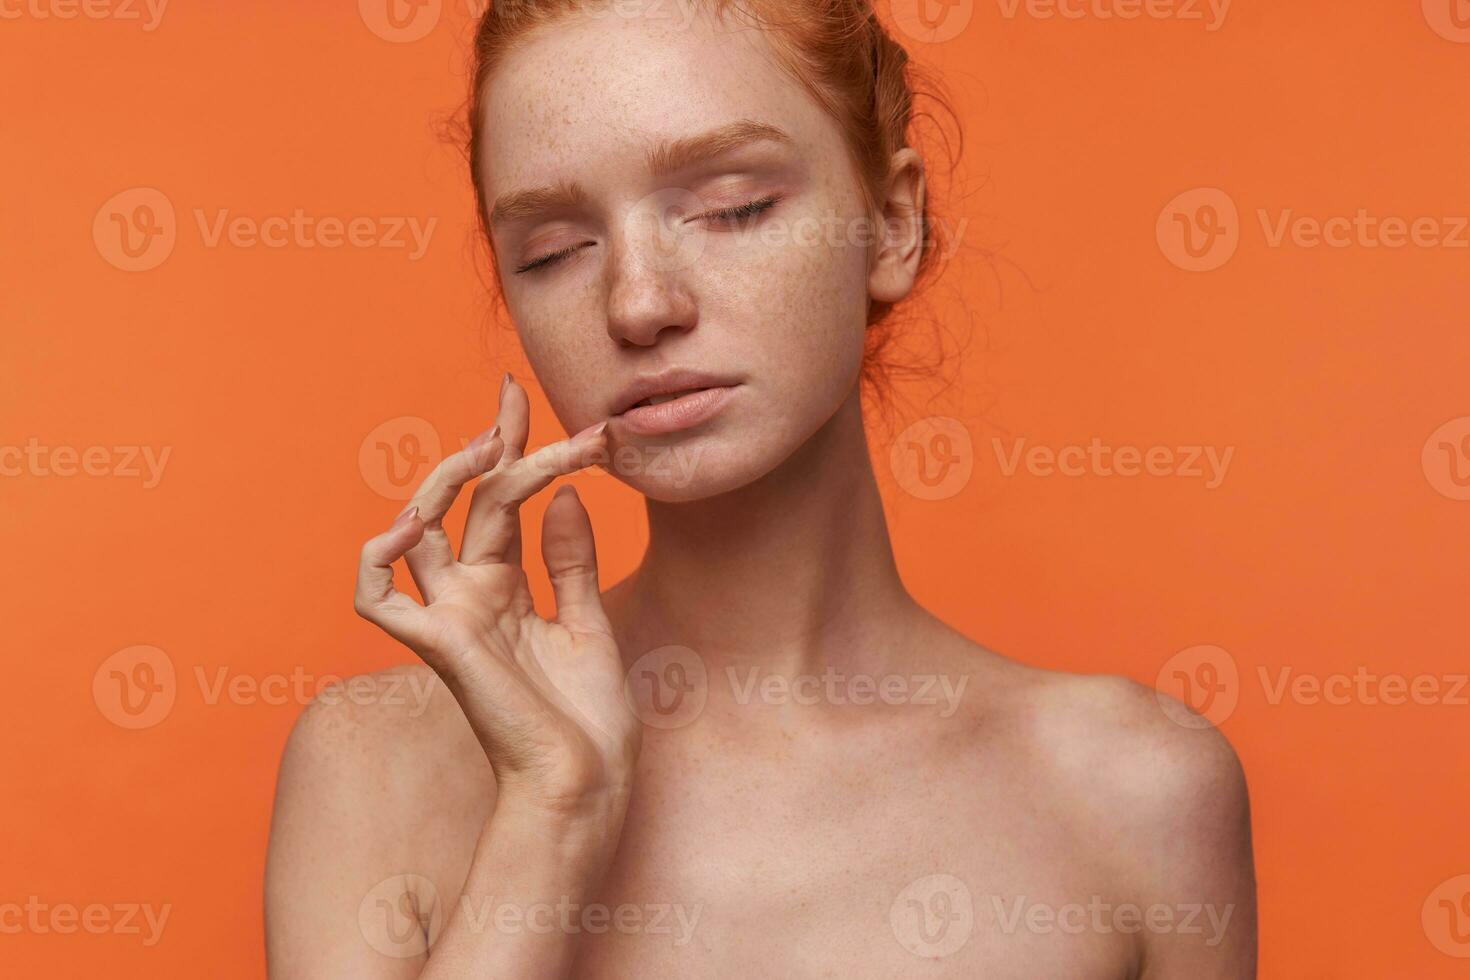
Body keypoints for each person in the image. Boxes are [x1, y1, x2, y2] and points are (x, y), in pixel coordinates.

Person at [264, 1, 1257, 975]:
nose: (639, 301)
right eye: (554, 250)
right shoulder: (374, 767)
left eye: (733, 206)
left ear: (891, 225)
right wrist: (552, 813)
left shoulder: (1136, 791)